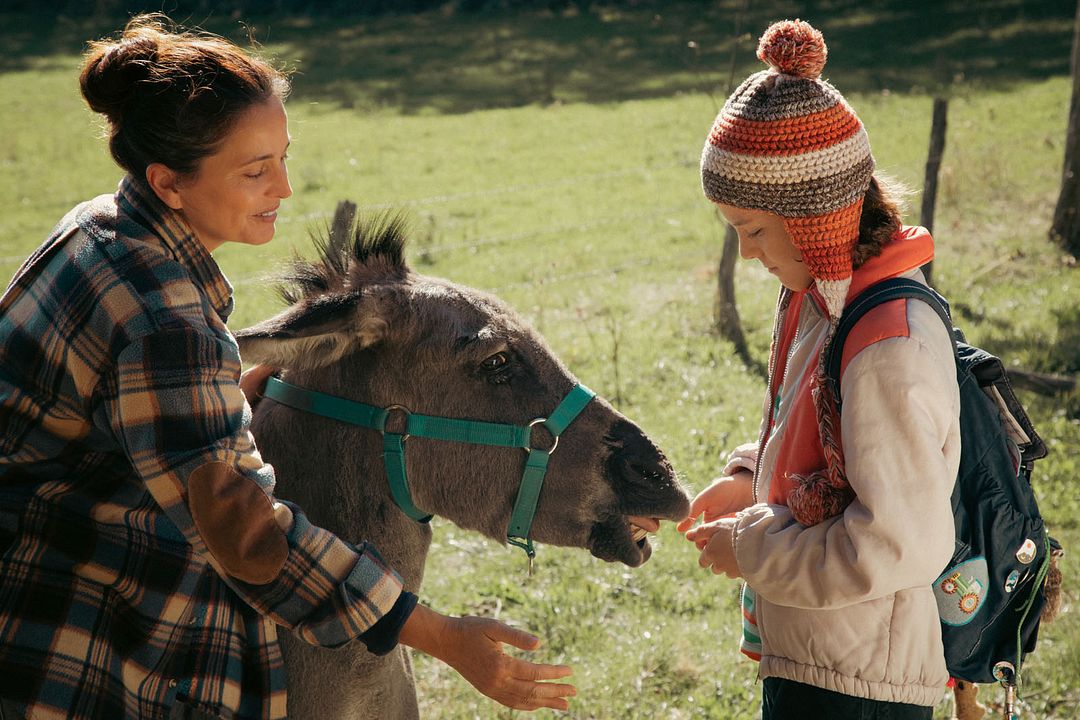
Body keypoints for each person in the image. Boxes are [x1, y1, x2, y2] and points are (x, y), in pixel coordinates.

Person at [0, 15, 574, 719]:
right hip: (74, 642)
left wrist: (224, 394)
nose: (284, 189)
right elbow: (250, 540)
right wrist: (443, 636)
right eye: (255, 170)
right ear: (169, 182)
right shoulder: (165, 320)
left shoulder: (97, 227)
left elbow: (113, 421)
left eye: (282, 158)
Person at [677, 19, 961, 720]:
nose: (747, 255)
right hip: (820, 655)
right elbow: (818, 436)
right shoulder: (821, 300)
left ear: (814, 219)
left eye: (753, 230)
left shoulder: (886, 347)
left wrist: (751, 548)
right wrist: (751, 479)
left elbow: (889, 546)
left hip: (862, 686)